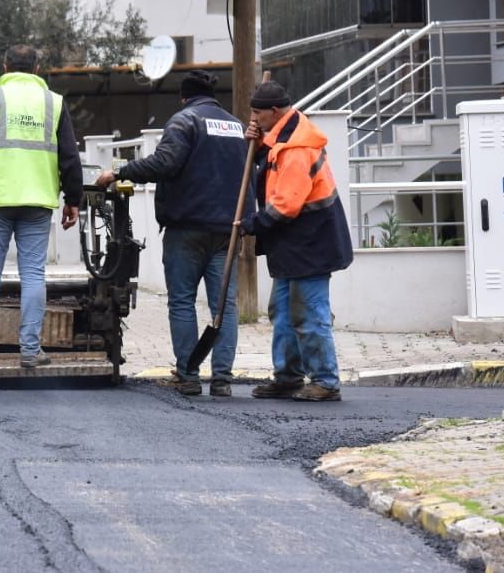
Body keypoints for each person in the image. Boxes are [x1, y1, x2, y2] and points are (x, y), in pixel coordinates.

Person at [95, 70, 247, 396]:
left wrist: (119, 172)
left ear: (183, 96)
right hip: (228, 231)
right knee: (225, 307)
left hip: (187, 229)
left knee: (182, 302)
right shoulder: (236, 127)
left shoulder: (184, 121)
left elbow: (164, 163)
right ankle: (222, 380)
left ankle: (189, 375)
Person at [0, 44, 82, 368]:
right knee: (33, 275)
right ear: (37, 69)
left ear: (5, 65)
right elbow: (69, 155)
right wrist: (73, 200)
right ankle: (30, 350)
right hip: (38, 201)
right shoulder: (54, 103)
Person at [241, 79, 353, 402]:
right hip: (295, 243)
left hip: (311, 243)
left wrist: (251, 225)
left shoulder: (298, 149)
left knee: (309, 312)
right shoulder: (284, 136)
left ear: (274, 112)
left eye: (258, 114)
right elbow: (270, 163)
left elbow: (285, 207)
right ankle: (288, 376)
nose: (254, 119)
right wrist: (259, 143)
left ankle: (326, 381)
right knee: (283, 311)